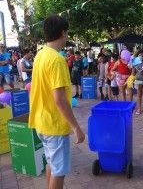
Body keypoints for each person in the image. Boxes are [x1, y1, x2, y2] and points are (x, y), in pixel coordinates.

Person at [28, 15, 85, 189]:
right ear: (63, 33)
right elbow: (59, 100)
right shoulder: (57, 60)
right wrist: (76, 127)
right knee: (59, 171)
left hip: (41, 122)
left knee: (51, 164)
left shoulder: (40, 55)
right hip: (54, 125)